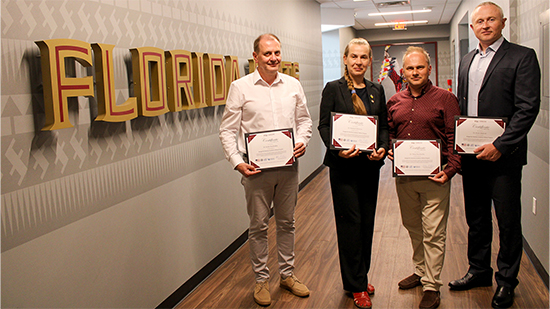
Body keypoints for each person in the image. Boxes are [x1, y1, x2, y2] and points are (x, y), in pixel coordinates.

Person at [448, 2, 541, 308]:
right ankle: (478, 271)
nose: (485, 25)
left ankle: (506, 281)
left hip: (504, 157)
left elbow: (527, 108)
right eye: (479, 21)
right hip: (472, 155)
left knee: (508, 220)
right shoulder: (466, 60)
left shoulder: (522, 57)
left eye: (490, 19)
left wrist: (500, 145)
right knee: (476, 218)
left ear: (502, 22)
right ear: (472, 28)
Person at [219, 33, 312, 306]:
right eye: (267, 54)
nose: (274, 58)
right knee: (258, 226)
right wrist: (237, 162)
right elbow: (227, 130)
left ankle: (287, 275)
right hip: (255, 171)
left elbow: (304, 121)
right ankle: (261, 280)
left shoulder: (293, 85)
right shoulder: (240, 87)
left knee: (287, 223)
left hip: (288, 168)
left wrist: (303, 141)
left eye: (277, 53)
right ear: (256, 57)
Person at [387, 46, 461, 309]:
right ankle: (420, 271)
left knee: (433, 231)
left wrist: (450, 170)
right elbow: (388, 131)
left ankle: (432, 284)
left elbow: (455, 137)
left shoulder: (445, 98)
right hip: (405, 178)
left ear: (429, 69)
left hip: (435, 177)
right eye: (410, 68)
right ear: (403, 72)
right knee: (412, 226)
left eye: (420, 67)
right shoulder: (395, 101)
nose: (415, 72)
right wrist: (391, 150)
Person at [318, 38, 389, 309]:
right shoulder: (333, 89)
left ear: (369, 61)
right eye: (354, 57)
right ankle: (357, 286)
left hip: (369, 168)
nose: (358, 61)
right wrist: (337, 150)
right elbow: (324, 126)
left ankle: (359, 276)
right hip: (344, 168)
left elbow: (382, 126)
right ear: (345, 59)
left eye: (363, 57)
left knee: (367, 223)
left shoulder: (376, 89)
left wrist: (382, 147)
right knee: (350, 224)